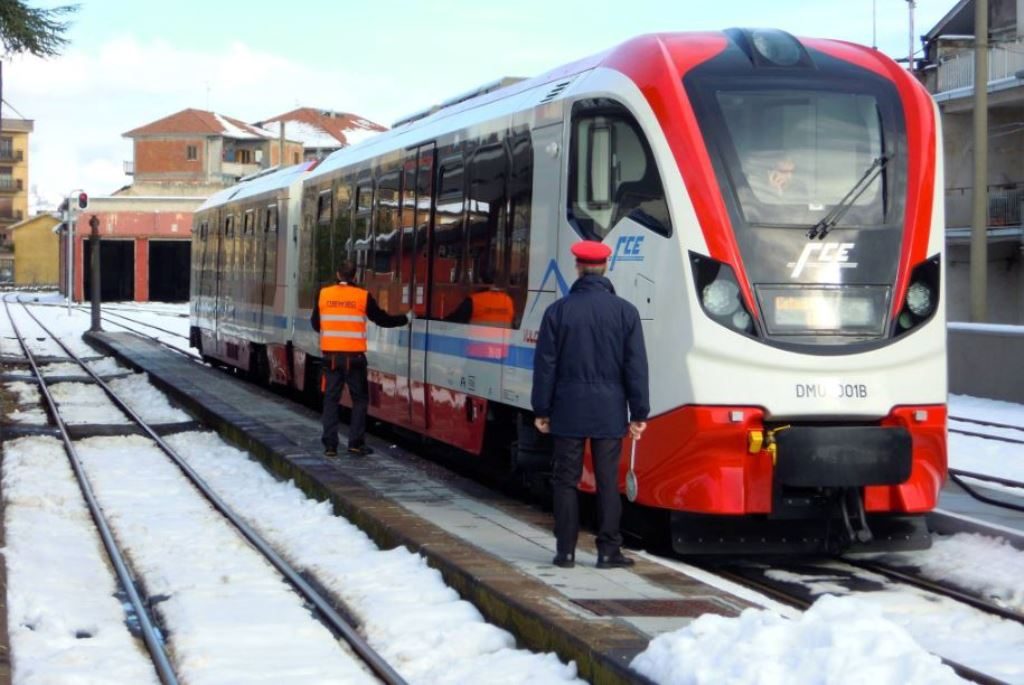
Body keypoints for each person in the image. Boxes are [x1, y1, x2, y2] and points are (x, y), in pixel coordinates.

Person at [531, 240, 650, 569]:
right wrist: (639, 412)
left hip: (568, 407)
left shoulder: (558, 311)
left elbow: (545, 366)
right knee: (607, 481)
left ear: (578, 268)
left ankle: (565, 551)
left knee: (565, 480)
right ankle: (608, 550)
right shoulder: (626, 312)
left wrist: (541, 409)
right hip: (609, 408)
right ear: (605, 268)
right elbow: (636, 367)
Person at [312, 261, 408, 457]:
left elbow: (315, 324)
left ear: (338, 274)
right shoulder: (362, 296)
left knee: (331, 400)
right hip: (354, 359)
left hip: (331, 357)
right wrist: (404, 319)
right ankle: (355, 443)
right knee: (360, 400)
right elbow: (382, 319)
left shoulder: (324, 294)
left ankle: (330, 446)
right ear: (355, 277)